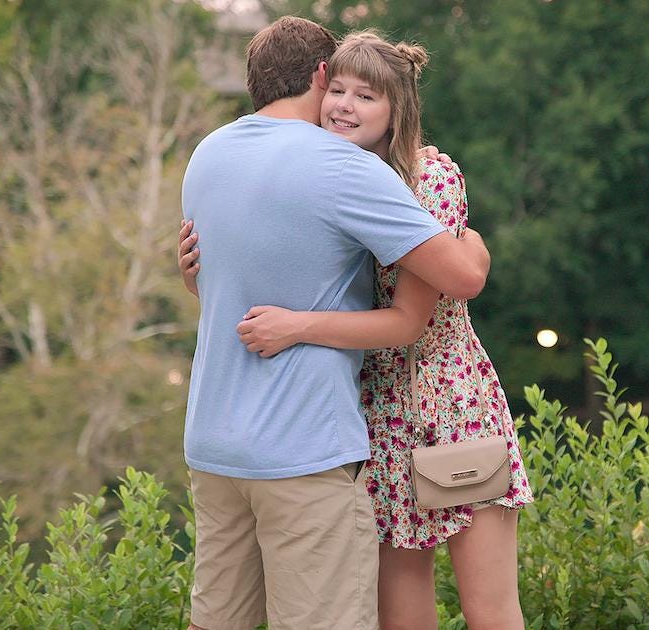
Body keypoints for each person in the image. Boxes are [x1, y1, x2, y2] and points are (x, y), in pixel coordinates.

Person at [180, 31, 532, 630]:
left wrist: (474, 249)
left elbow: (434, 302)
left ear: (398, 107)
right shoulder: (338, 168)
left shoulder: (416, 175)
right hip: (369, 410)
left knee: (488, 608)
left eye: (365, 95)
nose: (344, 104)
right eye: (338, 89)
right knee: (397, 609)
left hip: (444, 397)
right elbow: (251, 279)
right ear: (319, 78)